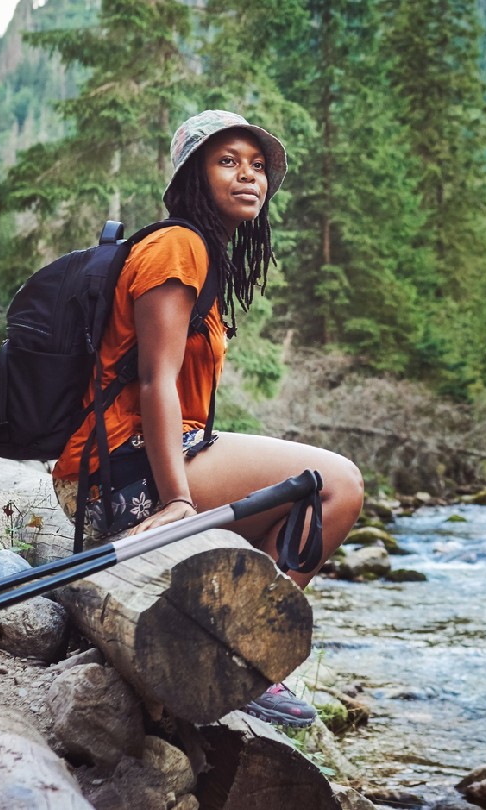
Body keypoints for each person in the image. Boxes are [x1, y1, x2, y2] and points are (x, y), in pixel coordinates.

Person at [50, 110, 364, 727]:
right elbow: (154, 380)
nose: (249, 175)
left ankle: (229, 647)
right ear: (193, 174)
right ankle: (250, 654)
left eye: (257, 165)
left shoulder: (201, 252)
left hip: (129, 466)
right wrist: (176, 501)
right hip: (123, 477)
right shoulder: (179, 245)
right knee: (340, 485)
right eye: (228, 161)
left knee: (311, 487)